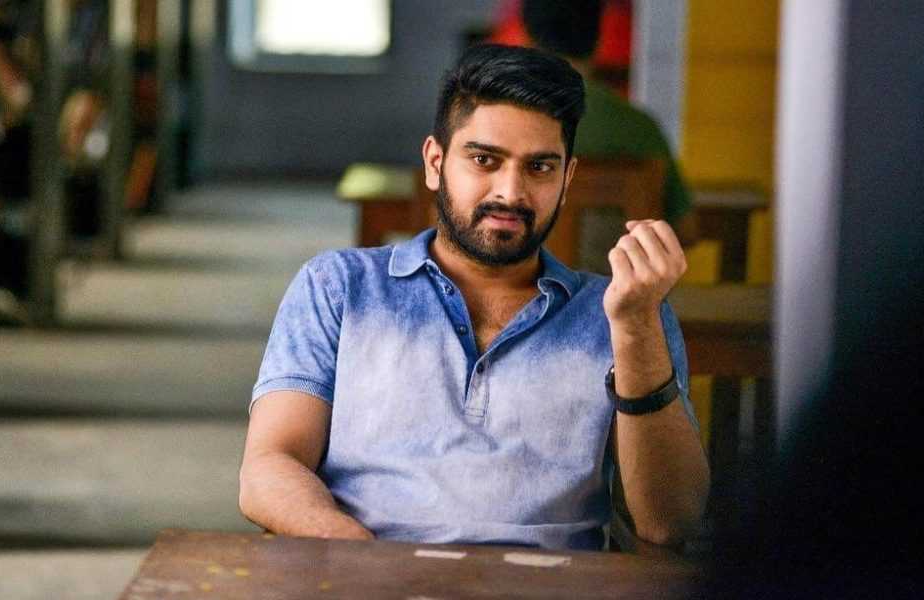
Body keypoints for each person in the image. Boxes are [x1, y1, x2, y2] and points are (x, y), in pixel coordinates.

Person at [239, 44, 709, 551]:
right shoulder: (339, 286)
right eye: (484, 160)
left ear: (567, 179)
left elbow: (670, 522)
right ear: (435, 163)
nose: (510, 192)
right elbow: (270, 465)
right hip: (371, 567)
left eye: (540, 168)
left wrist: (635, 327)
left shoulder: (625, 314)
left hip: (549, 582)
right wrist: (357, 554)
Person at [520, 0, 697, 245]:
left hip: (532, 270)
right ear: (598, 38)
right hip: (619, 270)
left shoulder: (507, 122)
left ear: (527, 40)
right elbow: (686, 230)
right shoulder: (641, 127)